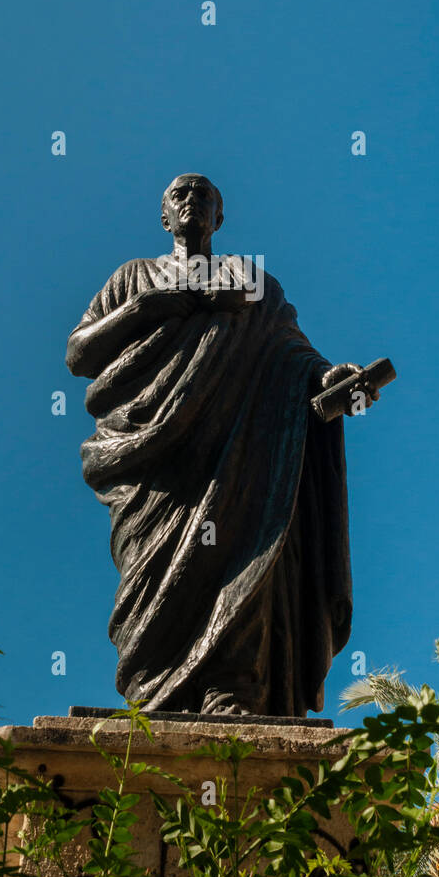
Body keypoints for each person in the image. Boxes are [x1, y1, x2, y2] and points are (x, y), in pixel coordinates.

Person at [66, 174, 375, 716]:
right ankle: (155, 691)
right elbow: (80, 354)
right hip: (156, 460)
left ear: (220, 218)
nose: (192, 200)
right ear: (164, 216)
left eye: (205, 195)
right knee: (157, 569)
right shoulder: (134, 278)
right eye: (180, 194)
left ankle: (230, 689)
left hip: (243, 451)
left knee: (243, 556)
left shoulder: (251, 280)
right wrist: (161, 303)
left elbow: (292, 353)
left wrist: (330, 381)